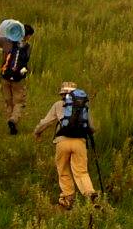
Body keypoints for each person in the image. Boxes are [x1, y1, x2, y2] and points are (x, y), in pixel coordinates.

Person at [33, 82, 97, 210]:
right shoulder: (84, 106)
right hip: (79, 142)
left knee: (63, 170)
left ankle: (68, 198)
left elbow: (46, 122)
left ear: (62, 94)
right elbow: (92, 127)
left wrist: (37, 132)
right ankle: (90, 194)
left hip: (62, 142)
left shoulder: (58, 105)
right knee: (81, 171)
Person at [0, 21, 34, 135]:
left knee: (8, 101)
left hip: (5, 76)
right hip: (18, 79)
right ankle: (13, 120)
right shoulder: (27, 47)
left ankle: (11, 121)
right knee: (19, 102)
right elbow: (25, 61)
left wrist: (1, 28)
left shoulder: (6, 42)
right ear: (27, 35)